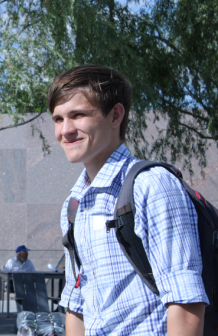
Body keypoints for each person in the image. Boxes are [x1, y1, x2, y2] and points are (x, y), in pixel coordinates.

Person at [48, 64, 208, 335]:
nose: (66, 130)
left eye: (78, 115)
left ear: (115, 115)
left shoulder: (152, 185)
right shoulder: (74, 205)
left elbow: (185, 301)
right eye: (58, 119)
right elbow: (77, 304)